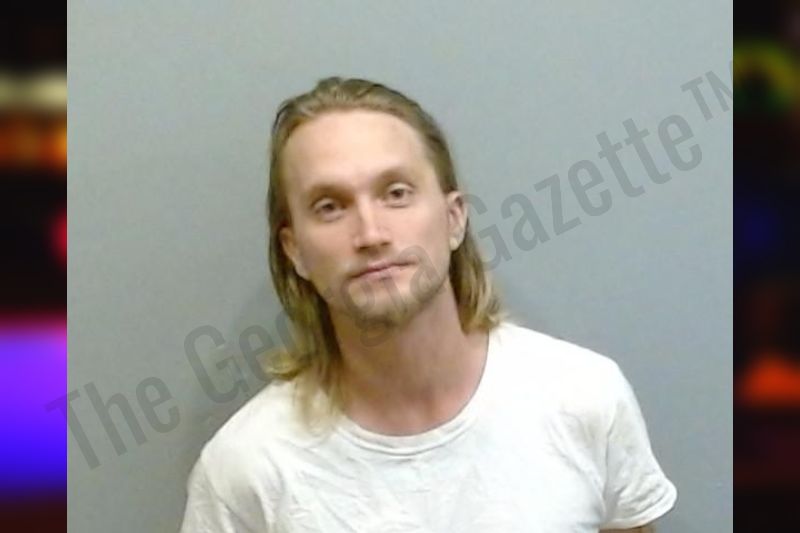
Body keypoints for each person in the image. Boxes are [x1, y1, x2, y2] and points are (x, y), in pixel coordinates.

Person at [179, 77, 677, 532]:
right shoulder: (244, 472)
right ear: (295, 251)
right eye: (330, 206)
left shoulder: (584, 398)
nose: (371, 234)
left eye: (396, 193)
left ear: (454, 218)